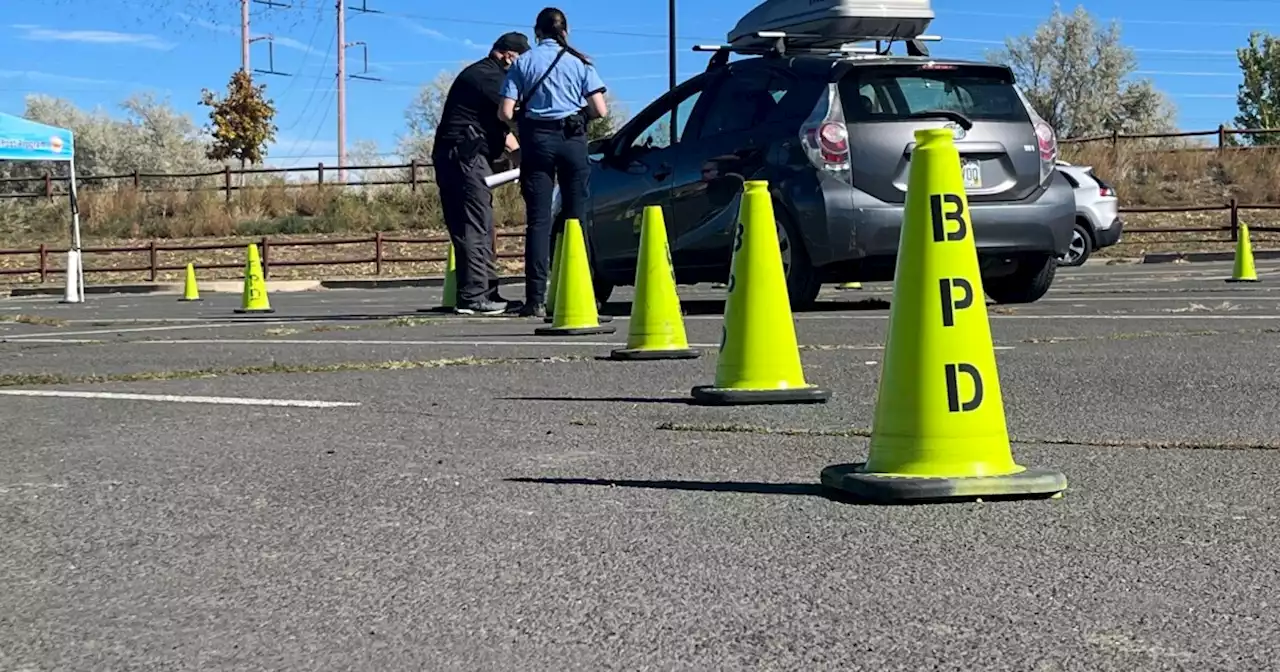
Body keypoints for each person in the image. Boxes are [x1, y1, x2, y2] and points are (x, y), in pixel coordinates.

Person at [498, 7, 608, 318]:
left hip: (537, 142)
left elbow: (505, 113)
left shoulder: (523, 63)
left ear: (537, 32)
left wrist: (527, 123)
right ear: (565, 30)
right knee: (576, 216)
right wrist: (575, 117)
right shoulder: (580, 62)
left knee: (538, 220)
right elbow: (599, 110)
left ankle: (534, 299)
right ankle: (584, 294)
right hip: (572, 140)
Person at [432, 31, 531, 315]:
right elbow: (511, 112)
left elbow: (502, 132)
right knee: (474, 225)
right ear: (507, 55)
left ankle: (485, 292)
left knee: (481, 224)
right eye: (520, 61)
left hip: (463, 156)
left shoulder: (483, 76)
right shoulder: (489, 77)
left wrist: (523, 158)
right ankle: (475, 297)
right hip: (464, 157)